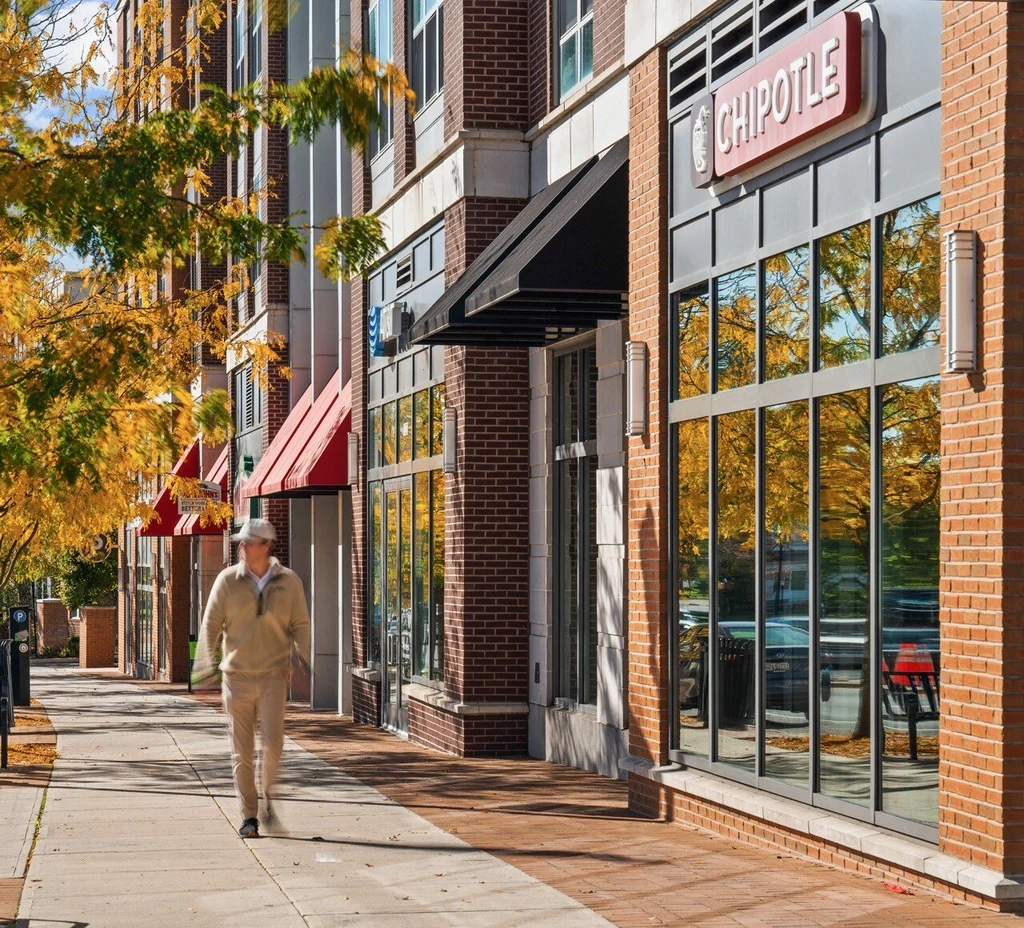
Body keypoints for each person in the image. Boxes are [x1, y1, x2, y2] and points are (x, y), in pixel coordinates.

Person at [194, 518, 311, 839]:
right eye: (240, 542)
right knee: (241, 753)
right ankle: (249, 815)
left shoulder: (289, 582)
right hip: (237, 678)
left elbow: (301, 624)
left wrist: (302, 660)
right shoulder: (227, 580)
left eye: (248, 542)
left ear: (265, 546)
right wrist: (205, 666)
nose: (241, 547)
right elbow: (210, 625)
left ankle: (268, 798)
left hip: (274, 677)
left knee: (274, 745)